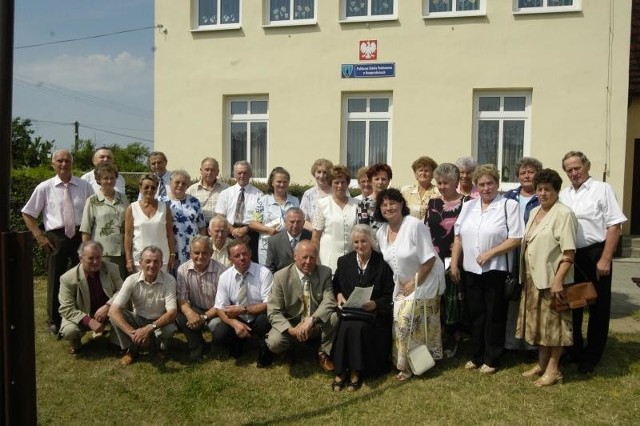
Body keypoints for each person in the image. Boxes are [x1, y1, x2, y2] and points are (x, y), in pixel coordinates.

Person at [451, 164, 523, 374]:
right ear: (476, 186)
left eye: (490, 183)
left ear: (497, 184)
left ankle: (492, 358)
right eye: (481, 184)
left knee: (494, 314)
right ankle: (477, 354)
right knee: (476, 314)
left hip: (496, 270)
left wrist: (491, 253)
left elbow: (516, 238)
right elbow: (458, 236)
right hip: (471, 270)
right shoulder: (468, 206)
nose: (486, 188)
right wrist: (455, 264)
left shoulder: (508, 206)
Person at [559, 151, 627, 374]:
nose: (573, 173)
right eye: (569, 170)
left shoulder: (602, 189)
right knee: (574, 304)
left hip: (595, 253)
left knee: (598, 306)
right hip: (572, 255)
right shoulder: (565, 194)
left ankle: (593, 355)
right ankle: (575, 350)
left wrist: (606, 258)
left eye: (577, 168)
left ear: (587, 166)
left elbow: (614, 225)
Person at [376, 188, 446, 381]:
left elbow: (429, 260)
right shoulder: (382, 232)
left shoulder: (414, 225)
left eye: (393, 203)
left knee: (406, 319)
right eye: (384, 204)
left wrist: (415, 283)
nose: (388, 207)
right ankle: (409, 361)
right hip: (402, 283)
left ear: (401, 205)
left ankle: (411, 365)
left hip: (426, 279)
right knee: (399, 320)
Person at [22, 149, 94, 335]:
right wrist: (39, 236)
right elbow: (28, 213)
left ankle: (86, 315)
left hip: (80, 235)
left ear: (72, 162)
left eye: (67, 160)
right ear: (53, 164)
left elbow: (94, 210)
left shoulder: (84, 186)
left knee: (85, 277)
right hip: (56, 237)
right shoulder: (44, 187)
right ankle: (54, 319)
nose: (64, 164)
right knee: (56, 279)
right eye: (59, 161)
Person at [517, 168, 578, 387]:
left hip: (553, 280)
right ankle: (542, 364)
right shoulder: (535, 212)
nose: (542, 193)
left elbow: (569, 252)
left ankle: (554, 370)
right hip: (533, 278)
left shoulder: (564, 214)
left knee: (555, 326)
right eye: (539, 189)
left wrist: (558, 280)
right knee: (541, 325)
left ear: (557, 191)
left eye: (547, 189)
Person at [330, 225, 394, 391]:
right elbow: (335, 285)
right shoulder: (344, 262)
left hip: (372, 314)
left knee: (357, 327)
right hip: (350, 311)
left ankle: (355, 372)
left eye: (364, 241)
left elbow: (389, 294)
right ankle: (342, 371)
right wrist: (338, 295)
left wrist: (375, 304)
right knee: (346, 325)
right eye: (356, 242)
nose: (360, 245)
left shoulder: (382, 263)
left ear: (371, 241)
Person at [259, 240, 339, 372]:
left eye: (312, 257)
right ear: (294, 256)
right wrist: (291, 330)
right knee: (274, 342)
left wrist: (311, 320)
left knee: (335, 317)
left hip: (315, 323)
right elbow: (273, 311)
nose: (308, 261)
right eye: (304, 257)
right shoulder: (280, 276)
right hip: (292, 324)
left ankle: (323, 352)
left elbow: (329, 300)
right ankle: (289, 349)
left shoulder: (325, 273)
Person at [424, 163, 469, 358]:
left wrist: (457, 261)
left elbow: (469, 232)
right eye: (439, 183)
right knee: (436, 299)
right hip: (434, 257)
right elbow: (426, 229)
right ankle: (437, 336)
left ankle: (454, 336)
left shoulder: (468, 203)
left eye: (446, 183)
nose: (442, 186)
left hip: (456, 257)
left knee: (452, 299)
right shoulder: (433, 203)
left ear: (456, 182)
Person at [109, 246, 178, 365]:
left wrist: (149, 328)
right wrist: (133, 334)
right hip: (138, 320)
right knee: (115, 316)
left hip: (158, 322)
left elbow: (172, 313)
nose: (152, 265)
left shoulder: (169, 280)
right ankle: (132, 349)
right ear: (140, 263)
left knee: (170, 328)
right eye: (148, 261)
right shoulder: (131, 280)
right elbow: (113, 310)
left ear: (161, 264)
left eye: (156, 261)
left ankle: (160, 348)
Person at [503, 157, 543, 351]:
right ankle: (510, 342)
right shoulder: (509, 196)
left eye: (531, 172)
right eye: (522, 173)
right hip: (511, 253)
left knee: (532, 299)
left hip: (534, 254)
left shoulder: (543, 196)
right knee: (512, 297)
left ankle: (531, 344)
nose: (526, 176)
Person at [58, 241, 123, 354]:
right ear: (80, 258)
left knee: (125, 313)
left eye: (98, 257)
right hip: (83, 314)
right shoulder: (67, 278)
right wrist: (89, 321)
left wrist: (108, 306)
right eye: (91, 258)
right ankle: (76, 343)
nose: (96, 261)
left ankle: (116, 341)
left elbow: (122, 291)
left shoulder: (112, 269)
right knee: (69, 330)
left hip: (108, 312)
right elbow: (66, 309)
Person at [213, 238, 273, 359]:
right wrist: (235, 323)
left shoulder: (264, 273)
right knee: (219, 334)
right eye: (237, 255)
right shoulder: (225, 277)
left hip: (258, 315)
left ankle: (266, 347)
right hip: (238, 317)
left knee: (266, 322)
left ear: (250, 253)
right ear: (230, 259)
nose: (242, 258)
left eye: (244, 253)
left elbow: (269, 304)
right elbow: (220, 307)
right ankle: (237, 342)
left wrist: (242, 309)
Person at [176, 236, 226, 361]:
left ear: (211, 253)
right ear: (190, 253)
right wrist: (190, 313)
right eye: (196, 253)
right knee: (182, 316)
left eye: (204, 253)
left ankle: (217, 346)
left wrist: (203, 318)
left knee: (220, 328)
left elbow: (222, 303)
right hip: (196, 307)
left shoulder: (221, 271)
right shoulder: (182, 270)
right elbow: (182, 298)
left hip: (217, 311)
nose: (200, 256)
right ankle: (196, 346)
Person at [80, 162, 130, 278]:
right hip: (101, 254)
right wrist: (86, 253)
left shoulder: (123, 198)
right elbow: (86, 230)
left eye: (112, 178)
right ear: (99, 180)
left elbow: (129, 225)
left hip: (121, 253)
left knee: (120, 287)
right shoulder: (92, 201)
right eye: (105, 178)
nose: (109, 181)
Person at [124, 174, 176, 273]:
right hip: (140, 259)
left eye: (153, 187)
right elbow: (128, 235)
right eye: (146, 187)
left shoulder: (165, 208)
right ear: (140, 188)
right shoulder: (132, 208)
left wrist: (172, 255)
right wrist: (129, 259)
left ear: (157, 189)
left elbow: (170, 233)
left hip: (162, 259)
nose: (150, 190)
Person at [312, 165, 359, 273]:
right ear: (330, 184)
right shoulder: (322, 204)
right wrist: (317, 262)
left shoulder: (357, 204)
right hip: (328, 261)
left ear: (347, 184)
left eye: (343, 182)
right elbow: (315, 238)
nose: (340, 186)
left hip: (352, 262)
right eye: (336, 182)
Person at [215, 160, 264, 262]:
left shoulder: (259, 195)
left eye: (245, 173)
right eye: (239, 173)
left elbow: (259, 218)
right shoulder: (225, 193)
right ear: (234, 174)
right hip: (229, 233)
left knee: (250, 263)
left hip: (250, 234)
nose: (242, 175)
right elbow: (220, 216)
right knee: (229, 263)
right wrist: (233, 230)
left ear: (250, 174)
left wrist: (245, 230)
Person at [249, 167, 299, 264]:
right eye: (279, 181)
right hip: (266, 246)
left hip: (289, 247)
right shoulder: (262, 201)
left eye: (285, 182)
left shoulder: (295, 201)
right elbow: (253, 223)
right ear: (272, 182)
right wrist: (268, 229)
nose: (282, 184)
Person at [159, 170, 207, 267]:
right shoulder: (161, 201)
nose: (180, 185)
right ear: (170, 182)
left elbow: (202, 226)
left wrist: (202, 245)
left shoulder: (194, 201)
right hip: (170, 248)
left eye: (184, 183)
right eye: (177, 182)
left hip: (192, 249)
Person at [265, 207, 311, 273]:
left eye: (298, 222)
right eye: (292, 222)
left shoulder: (311, 238)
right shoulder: (274, 241)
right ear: (285, 222)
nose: (295, 225)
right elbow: (270, 268)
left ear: (303, 223)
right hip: (282, 281)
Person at [186, 157, 229, 224]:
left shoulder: (226, 189)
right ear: (201, 171)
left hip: (220, 229)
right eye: (207, 170)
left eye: (212, 170)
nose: (209, 172)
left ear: (217, 172)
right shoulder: (191, 190)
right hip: (199, 228)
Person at [401, 156, 440, 220]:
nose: (423, 173)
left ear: (433, 174)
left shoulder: (438, 192)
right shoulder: (406, 191)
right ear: (415, 174)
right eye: (420, 170)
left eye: (427, 171)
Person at [356, 163, 392, 232]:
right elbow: (362, 230)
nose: (380, 182)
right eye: (377, 179)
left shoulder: (395, 201)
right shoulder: (363, 204)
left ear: (389, 181)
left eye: (384, 179)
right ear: (370, 181)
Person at [300, 158, 333, 231]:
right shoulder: (308, 194)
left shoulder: (338, 191)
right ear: (314, 173)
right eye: (319, 172)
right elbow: (302, 219)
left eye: (325, 172)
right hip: (313, 236)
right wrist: (316, 231)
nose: (321, 176)